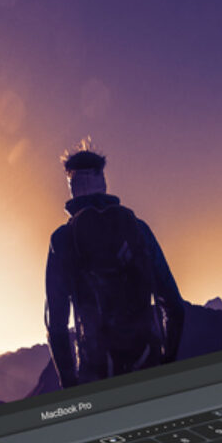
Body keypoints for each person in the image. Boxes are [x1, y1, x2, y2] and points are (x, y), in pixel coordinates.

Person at [45, 148, 185, 389]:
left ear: (72, 186)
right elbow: (174, 306)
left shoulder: (63, 239)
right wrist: (166, 359)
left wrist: (70, 384)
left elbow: (56, 325)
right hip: (147, 362)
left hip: (96, 372)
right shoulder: (138, 229)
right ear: (104, 182)